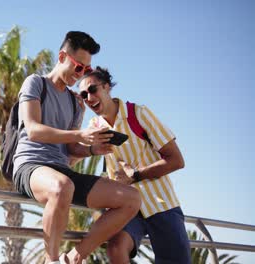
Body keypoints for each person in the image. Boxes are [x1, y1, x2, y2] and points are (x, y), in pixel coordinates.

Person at [13, 31, 141, 264]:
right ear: (62, 56)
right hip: (31, 166)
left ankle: (73, 258)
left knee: (131, 199)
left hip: (64, 174)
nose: (81, 74)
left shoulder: (75, 102)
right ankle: (51, 261)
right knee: (62, 187)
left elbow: (70, 148)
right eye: (78, 67)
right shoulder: (35, 83)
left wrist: (92, 149)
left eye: (85, 69)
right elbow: (32, 130)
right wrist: (81, 134)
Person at [78, 66, 191, 264]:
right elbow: (74, 153)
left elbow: (176, 160)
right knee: (116, 248)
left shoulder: (139, 114)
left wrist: (136, 175)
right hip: (126, 208)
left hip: (161, 204)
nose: (88, 97)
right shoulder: (93, 128)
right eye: (83, 94)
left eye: (93, 89)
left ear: (106, 87)